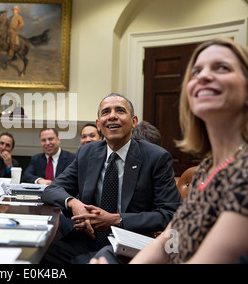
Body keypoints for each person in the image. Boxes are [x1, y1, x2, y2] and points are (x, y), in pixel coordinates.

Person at [106, 38, 248, 264]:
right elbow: (167, 242)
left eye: (222, 67)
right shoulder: (205, 170)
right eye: (196, 71)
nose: (203, 76)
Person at [41, 93, 182, 263]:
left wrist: (116, 220)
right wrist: (73, 203)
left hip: (130, 240)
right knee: (40, 250)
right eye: (106, 112)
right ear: (98, 124)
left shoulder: (156, 157)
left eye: (120, 111)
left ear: (134, 122)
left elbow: (171, 213)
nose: (112, 116)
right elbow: (51, 190)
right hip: (89, 238)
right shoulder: (87, 153)